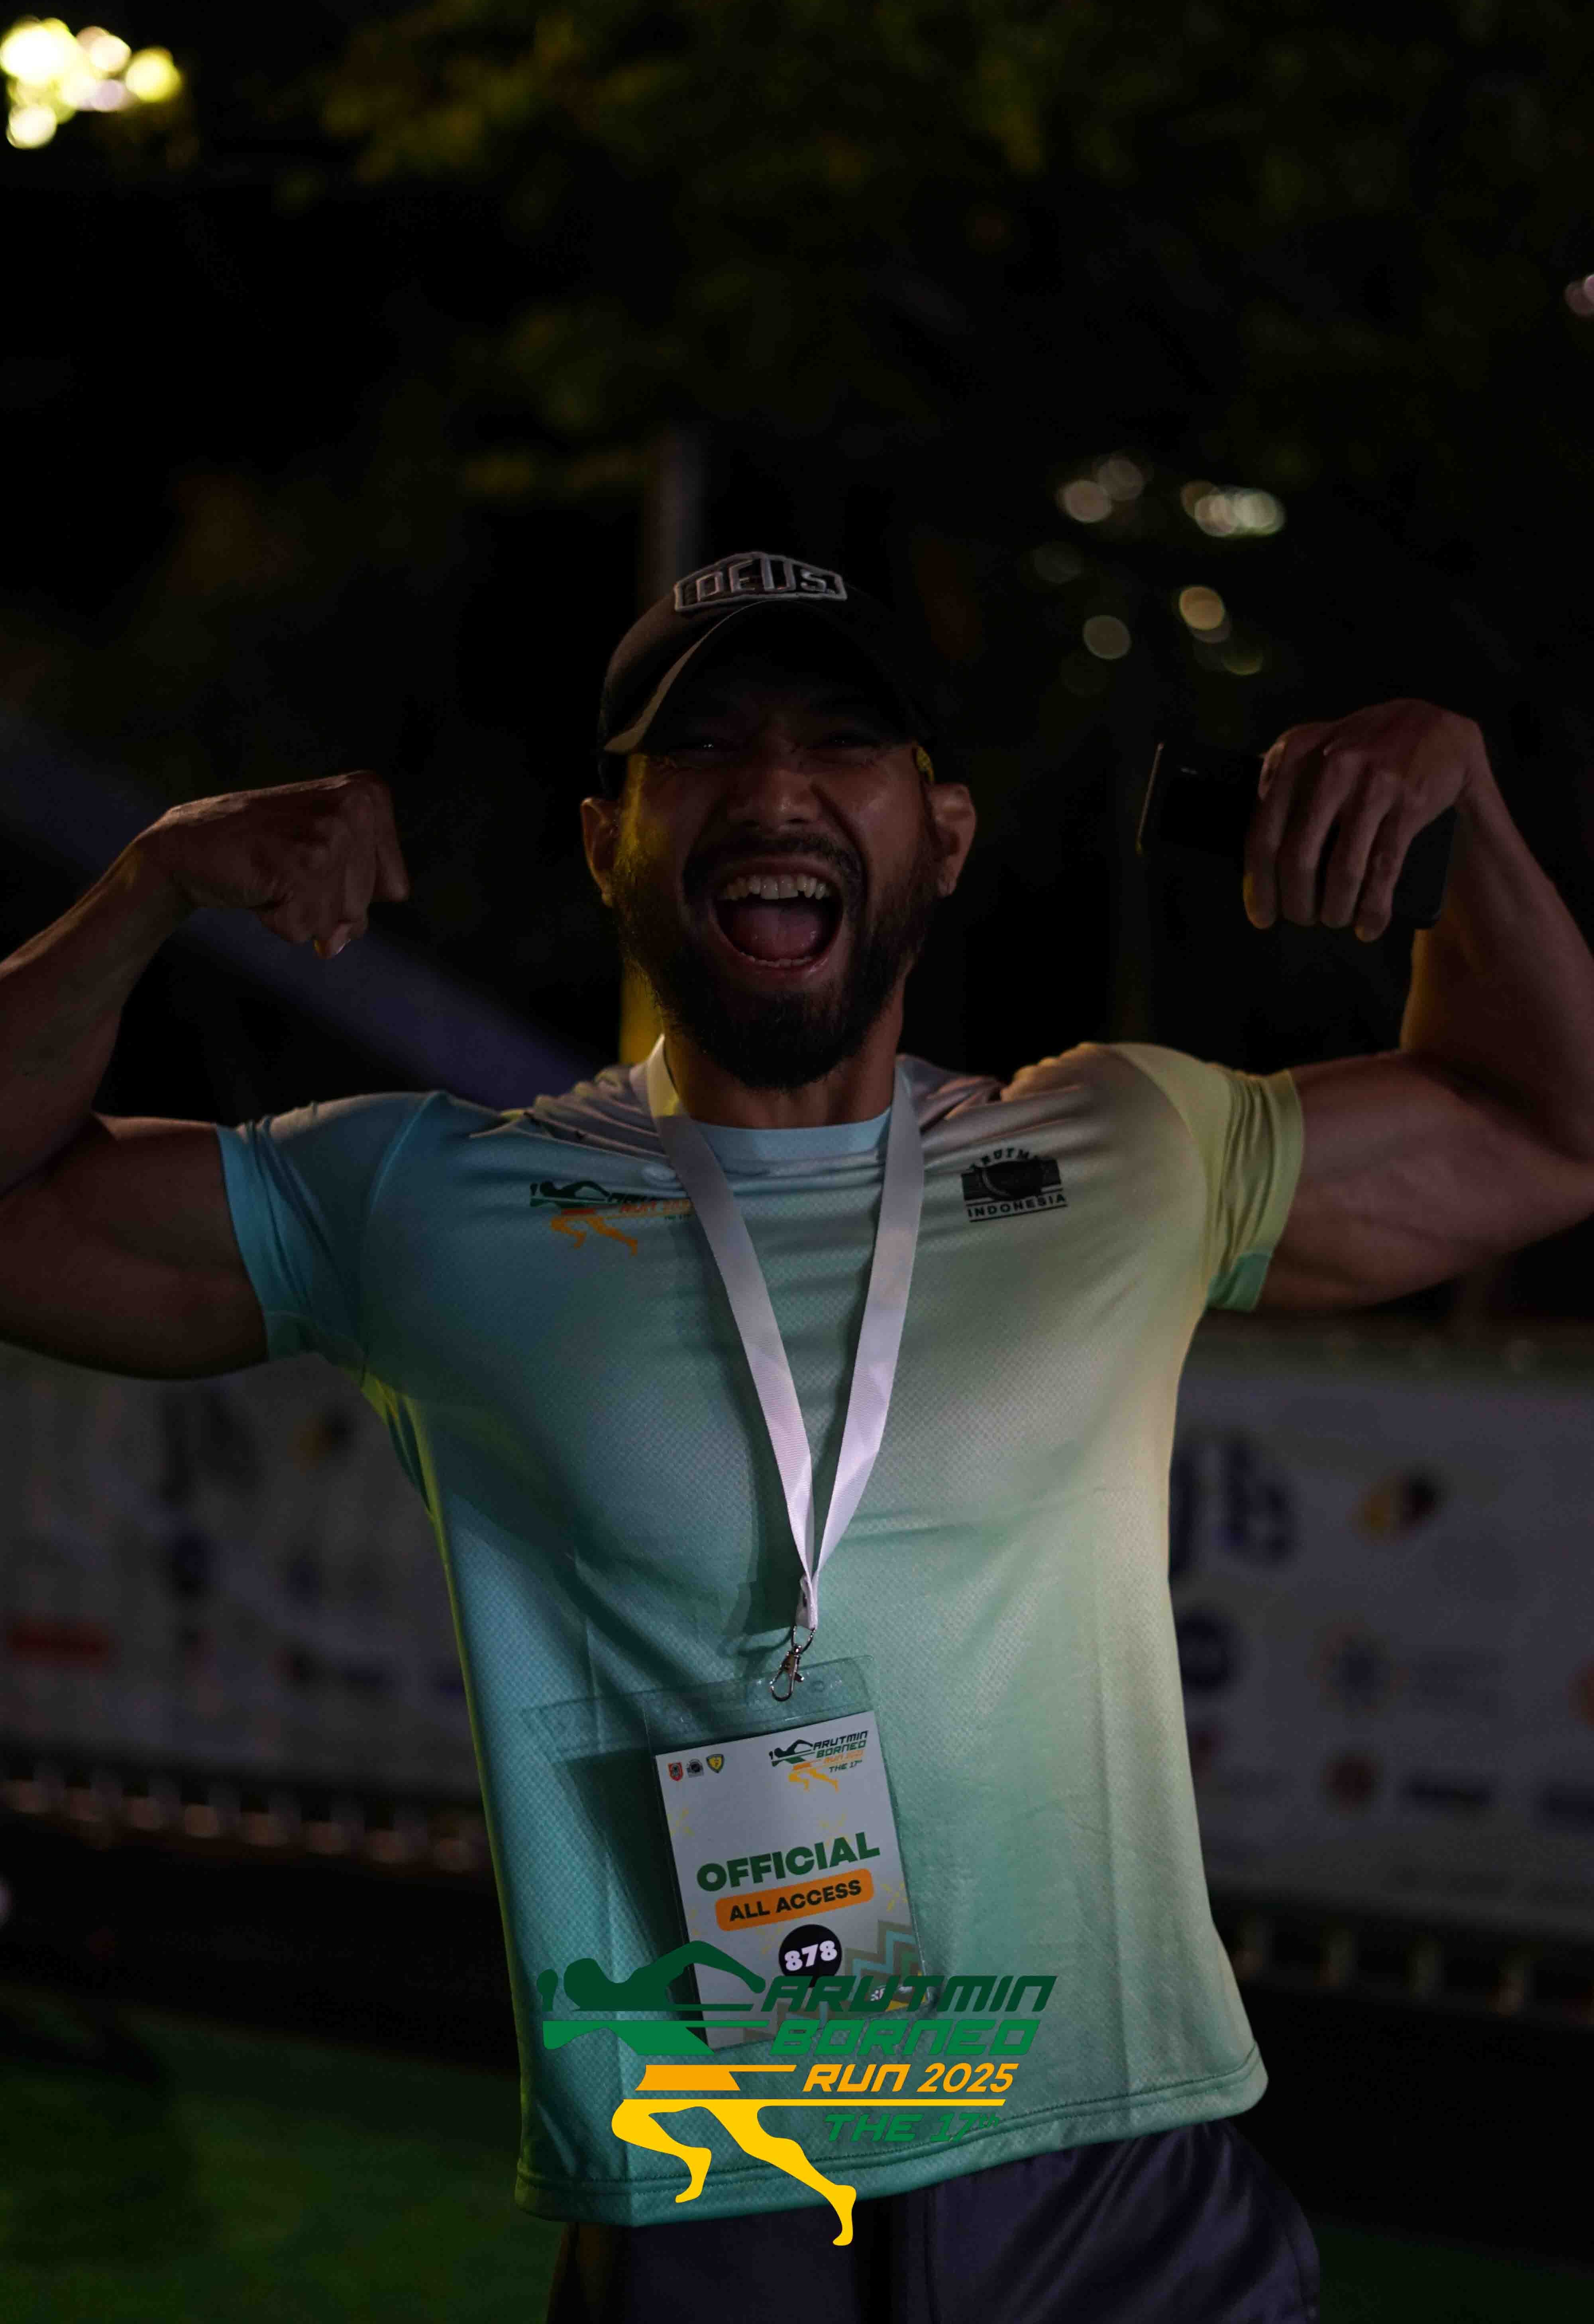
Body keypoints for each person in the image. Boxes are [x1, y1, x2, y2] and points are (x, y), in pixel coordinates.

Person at [1, 547, 1592, 2323]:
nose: (772, 788)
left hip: (1116, 2186)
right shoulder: (429, 1203)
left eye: (842, 741)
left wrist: (1471, 820)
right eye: (701, 749)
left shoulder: (1125, 1153)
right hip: (718, 2197)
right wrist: (146, 886)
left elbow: (1550, 1130)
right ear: (604, 840)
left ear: (946, 833)